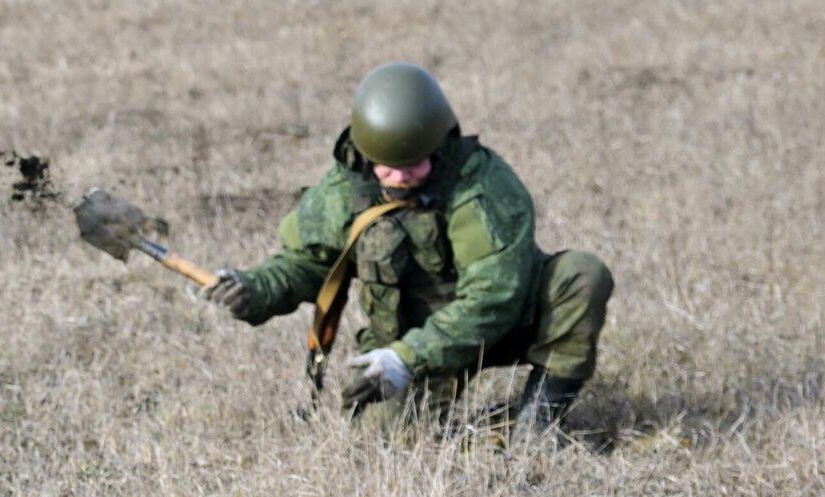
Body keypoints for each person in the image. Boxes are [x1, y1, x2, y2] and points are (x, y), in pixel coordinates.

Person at [203, 62, 614, 440]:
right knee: (387, 442)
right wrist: (255, 288)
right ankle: (482, 423)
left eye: (414, 164)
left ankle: (537, 422)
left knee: (580, 276)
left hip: (501, 327)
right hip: (405, 344)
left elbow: (494, 299)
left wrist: (408, 358)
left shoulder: (483, 187)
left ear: (437, 142)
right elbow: (308, 262)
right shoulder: (345, 188)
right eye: (387, 165)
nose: (400, 177)